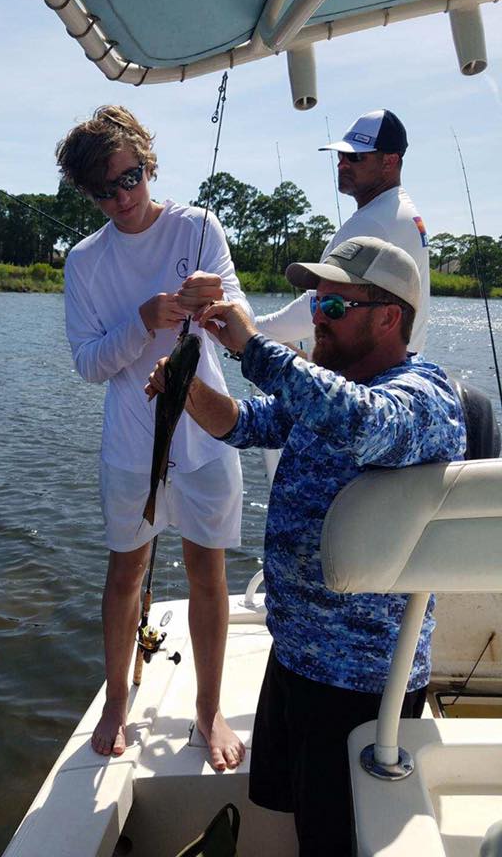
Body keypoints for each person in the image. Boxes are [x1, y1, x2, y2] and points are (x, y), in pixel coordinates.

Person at [146, 236, 466, 855]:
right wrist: (187, 388)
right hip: (293, 657)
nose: (317, 316)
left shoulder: (425, 399)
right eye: (316, 303)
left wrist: (249, 344)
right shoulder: (327, 385)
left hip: (361, 684)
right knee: (290, 816)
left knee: (335, 839)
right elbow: (244, 424)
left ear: (388, 316)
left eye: (335, 309)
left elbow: (364, 424)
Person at [57, 105, 252, 770]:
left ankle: (208, 708)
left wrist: (218, 304)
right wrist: (142, 322)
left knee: (208, 572)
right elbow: (88, 363)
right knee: (125, 572)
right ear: (86, 193)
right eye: (104, 190)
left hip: (205, 437)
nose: (122, 197)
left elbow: (240, 325)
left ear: (146, 159)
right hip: (131, 445)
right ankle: (116, 699)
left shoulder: (198, 228)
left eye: (130, 177)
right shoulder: (85, 262)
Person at [257, 109, 430, 354]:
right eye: (341, 155)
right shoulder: (401, 211)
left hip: (365, 378)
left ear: (389, 161)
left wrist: (250, 329)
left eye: (355, 157)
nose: (342, 164)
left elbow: (322, 304)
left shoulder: (374, 222)